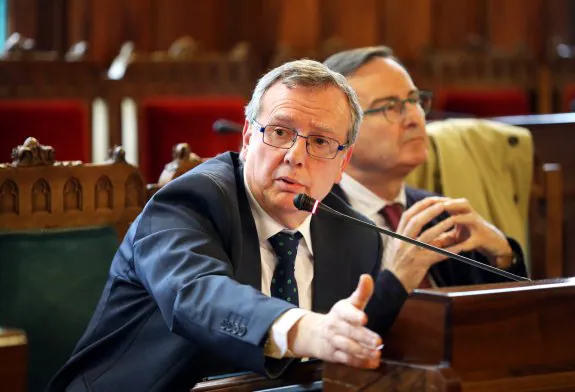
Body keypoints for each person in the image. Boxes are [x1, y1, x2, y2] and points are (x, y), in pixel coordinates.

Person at [46, 59, 472, 392]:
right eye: (281, 132)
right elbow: (198, 295)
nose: (295, 156)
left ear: (343, 162)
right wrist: (304, 328)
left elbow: (344, 348)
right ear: (247, 137)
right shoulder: (188, 203)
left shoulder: (355, 234)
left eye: (320, 142)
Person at [323, 47, 527, 288]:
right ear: (338, 132)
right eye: (390, 106)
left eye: (414, 100)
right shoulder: (314, 219)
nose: (414, 118)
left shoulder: (438, 212)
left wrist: (504, 257)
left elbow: (491, 315)